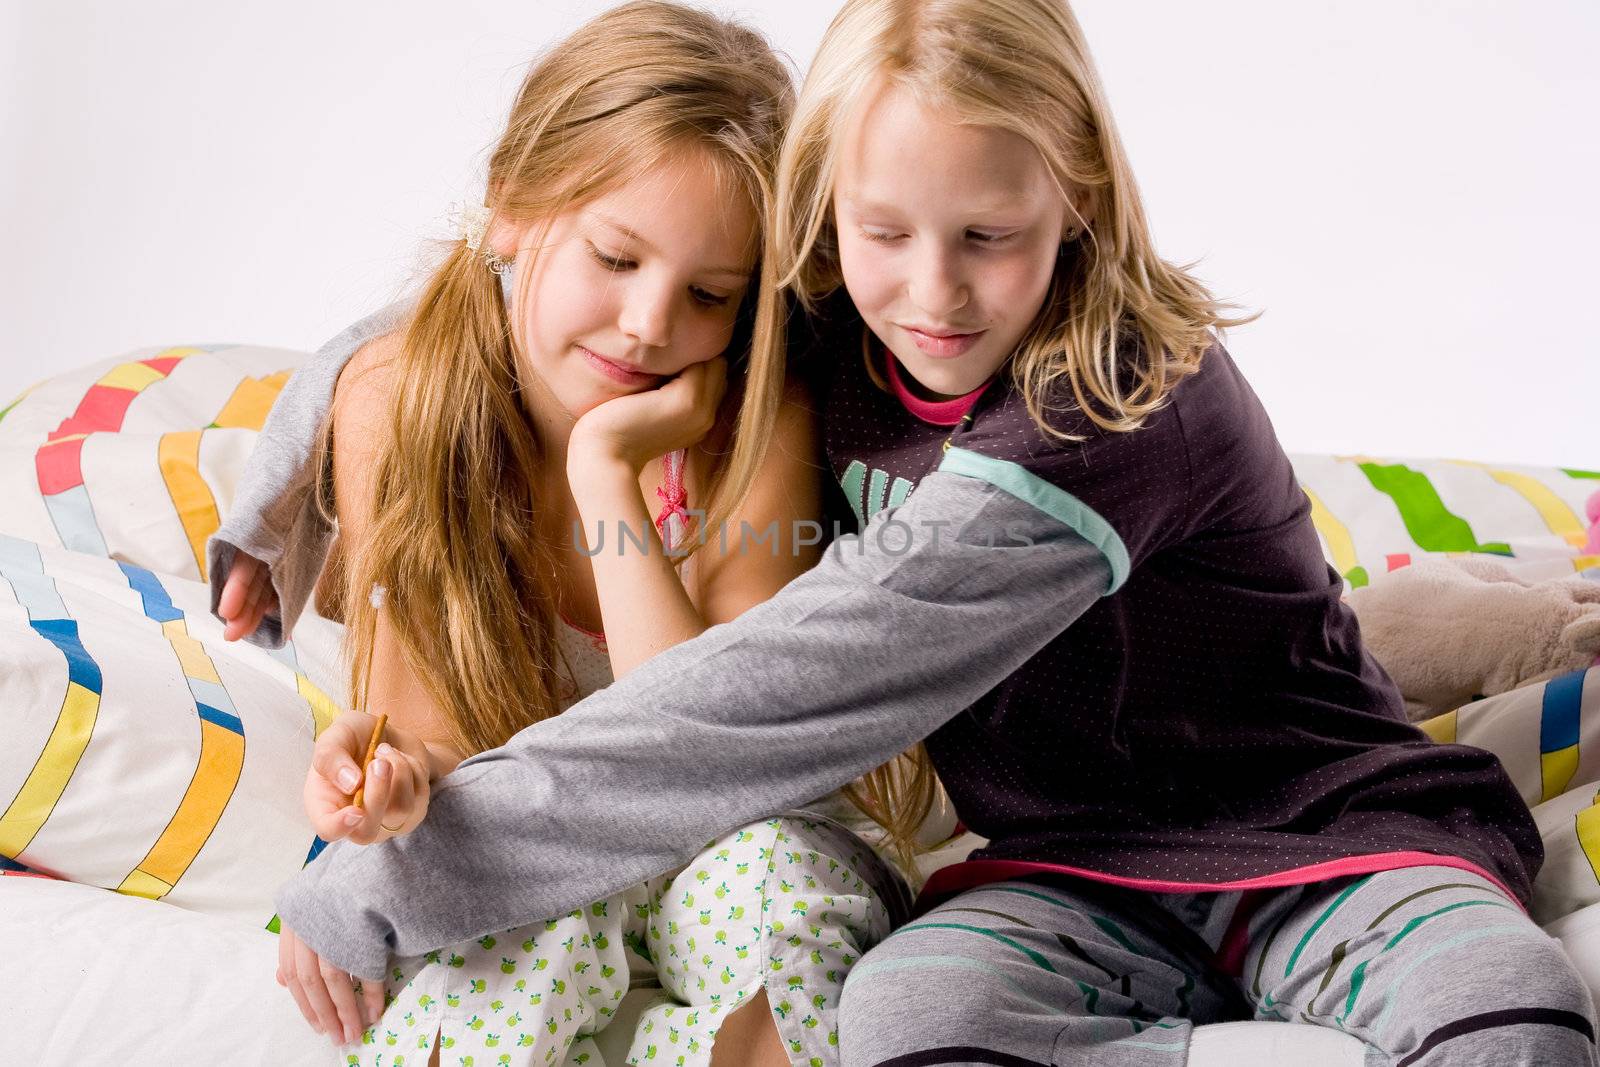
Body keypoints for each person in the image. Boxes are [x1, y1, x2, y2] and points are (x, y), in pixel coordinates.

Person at [220, 0, 1598, 1064]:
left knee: (1504, 1007)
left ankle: (1517, 634)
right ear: (826, 215)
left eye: (988, 236)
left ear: (1082, 204)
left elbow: (781, 693)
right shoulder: (831, 322)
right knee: (903, 1015)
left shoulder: (1106, 403)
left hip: (1323, 830)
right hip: (1077, 865)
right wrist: (275, 490)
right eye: (881, 230)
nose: (930, 293)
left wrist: (396, 876)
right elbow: (448, 318)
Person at [210, 4, 926, 1064]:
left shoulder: (757, 421)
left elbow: (708, 747)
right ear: (510, 208)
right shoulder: (397, 398)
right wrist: (394, 777)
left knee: (783, 904)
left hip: (731, 820)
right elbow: (435, 740)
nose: (648, 322)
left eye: (707, 293)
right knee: (494, 924)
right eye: (615, 256)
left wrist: (608, 474)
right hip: (514, 817)